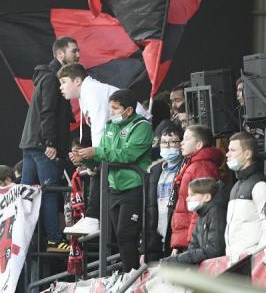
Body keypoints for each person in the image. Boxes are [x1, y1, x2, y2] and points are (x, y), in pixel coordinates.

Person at [57, 62, 148, 236]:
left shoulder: (92, 92)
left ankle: (92, 218)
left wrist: (95, 157)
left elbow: (99, 128)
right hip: (124, 133)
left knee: (99, 166)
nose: (61, 88)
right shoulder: (86, 94)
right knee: (96, 166)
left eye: (63, 82)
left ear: (77, 81)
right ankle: (92, 217)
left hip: (136, 131)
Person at [69, 89, 153, 272]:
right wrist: (84, 158)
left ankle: (133, 275)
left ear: (129, 110)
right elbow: (103, 158)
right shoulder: (109, 126)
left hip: (134, 187)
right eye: (110, 108)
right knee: (118, 236)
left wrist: (96, 151)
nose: (111, 112)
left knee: (126, 234)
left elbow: (128, 155)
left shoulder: (142, 126)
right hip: (113, 188)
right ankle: (128, 274)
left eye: (115, 108)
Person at [19, 37, 79, 251]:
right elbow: (48, 111)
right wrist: (51, 142)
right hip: (44, 144)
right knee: (50, 190)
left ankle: (25, 239)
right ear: (60, 55)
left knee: (28, 193)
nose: (78, 55)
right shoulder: (53, 79)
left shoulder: (47, 76)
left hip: (31, 144)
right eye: (74, 51)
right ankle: (54, 239)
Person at [169, 124, 224, 254]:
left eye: (187, 139)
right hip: (186, 237)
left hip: (193, 239)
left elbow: (200, 208)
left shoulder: (202, 166)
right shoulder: (192, 164)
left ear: (199, 145)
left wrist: (191, 242)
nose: (181, 143)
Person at [224, 132, 266, 261]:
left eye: (232, 150)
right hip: (235, 261)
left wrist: (258, 256)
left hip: (254, 262)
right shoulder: (236, 187)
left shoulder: (260, 185)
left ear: (247, 154)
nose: (227, 154)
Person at [159, 178, 227, 266]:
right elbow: (193, 247)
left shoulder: (217, 213)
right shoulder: (201, 215)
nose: (187, 199)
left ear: (207, 197)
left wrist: (176, 260)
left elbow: (214, 249)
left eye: (192, 195)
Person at [143, 123, 184, 262]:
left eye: (172, 142)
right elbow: (148, 210)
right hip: (157, 232)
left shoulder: (185, 168)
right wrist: (144, 249)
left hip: (175, 231)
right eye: (164, 143)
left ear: (181, 144)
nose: (167, 146)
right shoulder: (154, 171)